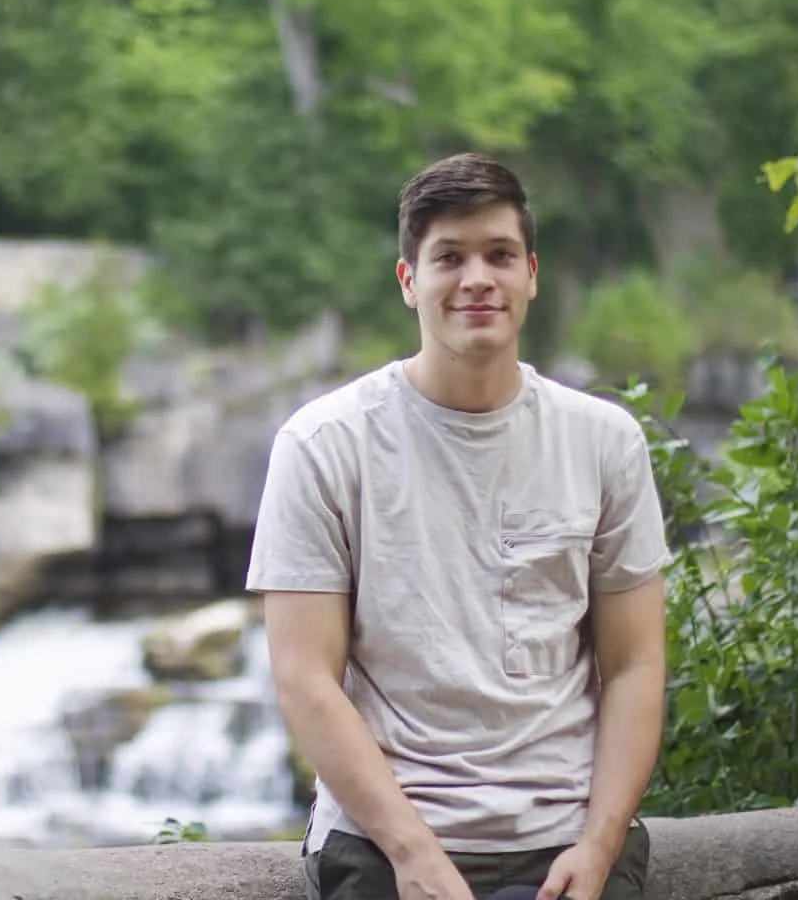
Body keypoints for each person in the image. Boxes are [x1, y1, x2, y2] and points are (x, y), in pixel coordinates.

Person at [245, 153, 670, 900]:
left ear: (531, 274)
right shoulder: (324, 445)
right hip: (385, 841)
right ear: (409, 282)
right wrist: (413, 853)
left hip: (566, 835)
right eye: (449, 258)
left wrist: (600, 843)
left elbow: (634, 664)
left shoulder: (604, 441)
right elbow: (303, 672)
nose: (478, 278)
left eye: (500, 255)